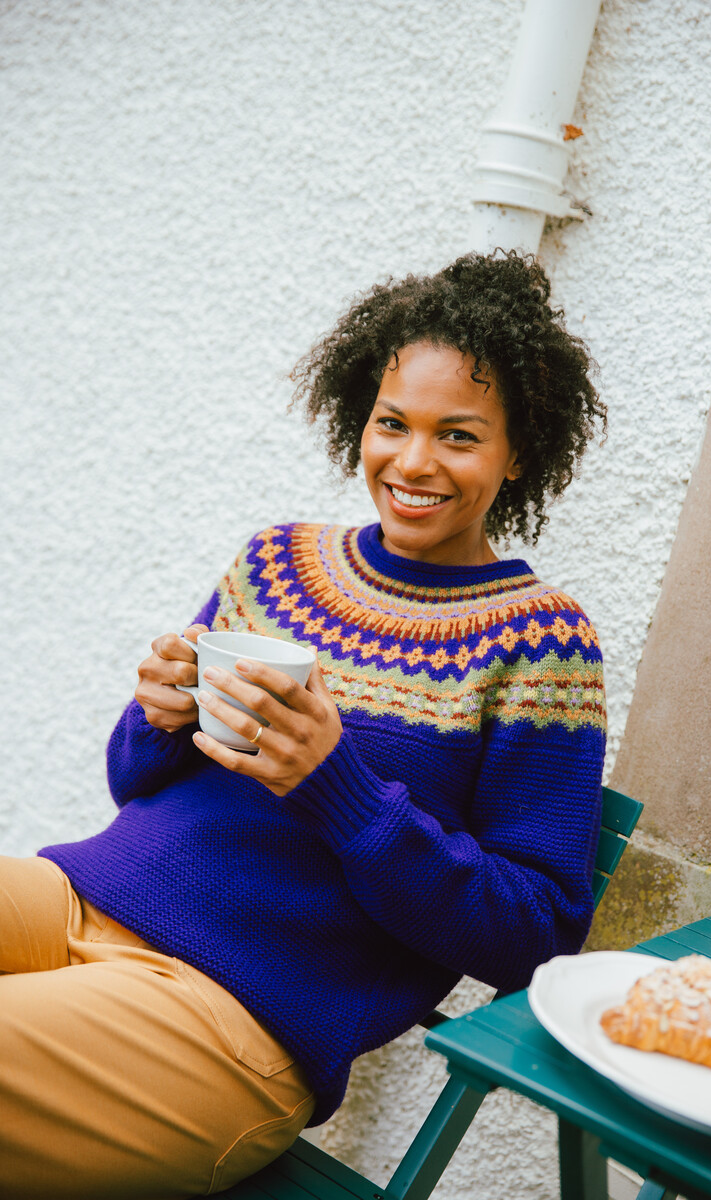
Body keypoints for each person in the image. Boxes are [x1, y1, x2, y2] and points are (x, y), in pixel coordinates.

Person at [0, 250, 608, 1199]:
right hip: (75, 903)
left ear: (518, 451)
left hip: (229, 1022)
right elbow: (136, 783)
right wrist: (158, 716)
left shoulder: (541, 643)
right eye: (391, 423)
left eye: (458, 436)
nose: (412, 462)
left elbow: (534, 933)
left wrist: (339, 787)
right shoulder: (277, 563)